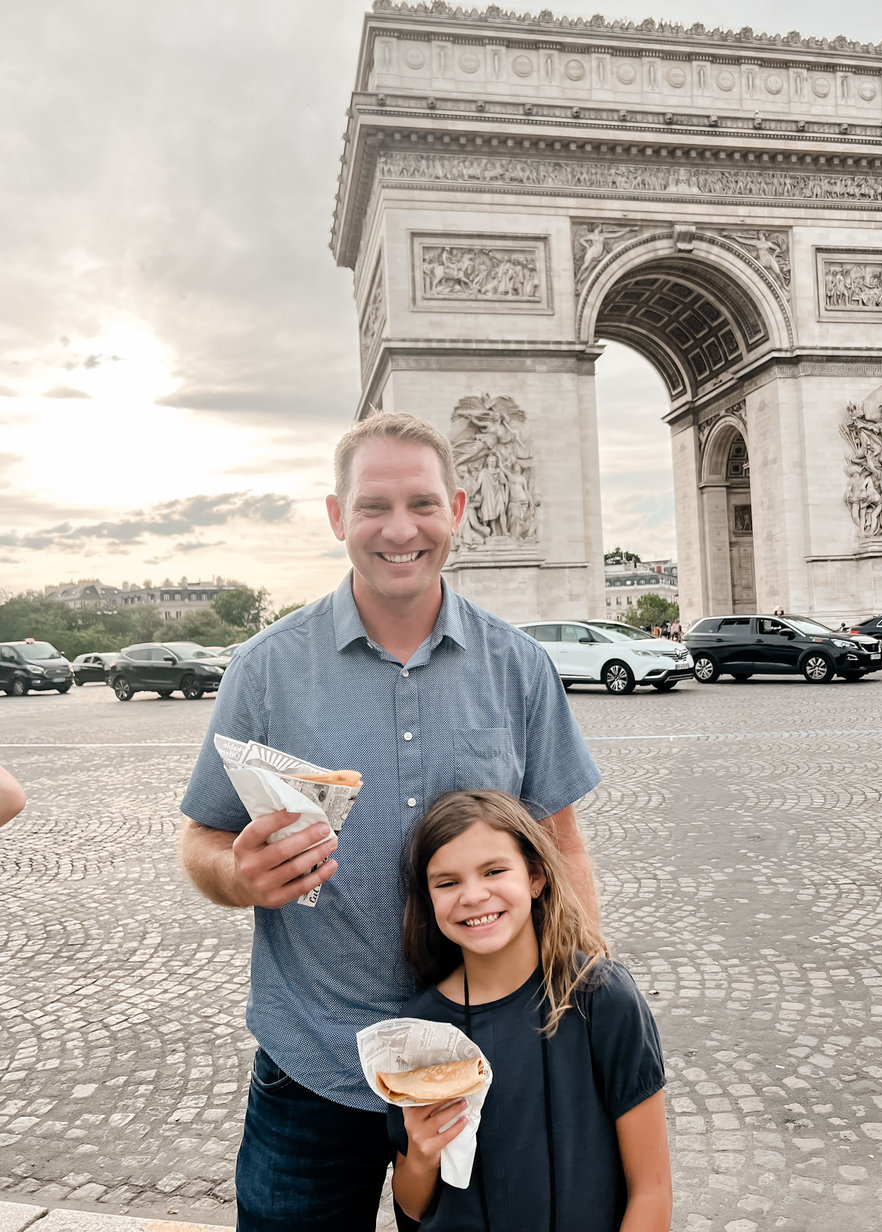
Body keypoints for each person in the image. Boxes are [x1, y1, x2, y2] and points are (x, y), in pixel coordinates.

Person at [178, 412, 602, 1231]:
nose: (400, 529)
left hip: (476, 1061)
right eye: (373, 506)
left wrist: (578, 1004)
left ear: (460, 508)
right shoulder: (264, 670)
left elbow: (564, 845)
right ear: (337, 517)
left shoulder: (520, 666)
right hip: (311, 1067)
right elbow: (202, 837)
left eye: (421, 503)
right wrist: (239, 874)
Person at [389, 789, 671, 1231]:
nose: (474, 895)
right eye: (447, 882)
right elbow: (411, 1205)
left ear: (536, 877)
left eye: (494, 871)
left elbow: (651, 1190)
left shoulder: (600, 998)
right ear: (428, 899)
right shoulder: (420, 1030)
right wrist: (422, 1156)